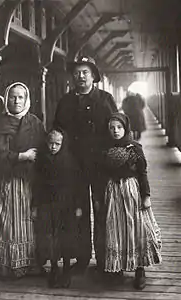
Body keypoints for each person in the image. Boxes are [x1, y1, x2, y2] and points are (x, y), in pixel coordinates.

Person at [54, 56, 118, 272]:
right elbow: (58, 132)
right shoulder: (65, 101)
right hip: (74, 167)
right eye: (77, 73)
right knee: (78, 212)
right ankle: (81, 258)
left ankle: (104, 258)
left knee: (102, 210)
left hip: (100, 166)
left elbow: (115, 130)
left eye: (85, 72)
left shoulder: (105, 99)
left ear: (93, 76)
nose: (80, 76)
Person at [0, 82, 45, 278]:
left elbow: (42, 149)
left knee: (25, 220)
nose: (16, 101)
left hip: (27, 181)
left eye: (20, 97)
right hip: (3, 181)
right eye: (13, 97)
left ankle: (26, 262)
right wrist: (22, 156)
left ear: (27, 100)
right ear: (6, 98)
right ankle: (0, 262)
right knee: (2, 219)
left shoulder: (35, 123)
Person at [97, 112, 162, 289]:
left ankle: (140, 269)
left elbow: (142, 173)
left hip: (131, 190)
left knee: (136, 228)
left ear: (125, 128)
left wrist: (146, 196)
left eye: (119, 127)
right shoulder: (105, 149)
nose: (115, 131)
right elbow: (101, 174)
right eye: (112, 128)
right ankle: (118, 267)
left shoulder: (134, 148)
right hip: (113, 193)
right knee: (116, 228)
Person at [33, 128, 81, 288]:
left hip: (66, 205)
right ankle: (54, 267)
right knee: (50, 235)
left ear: (63, 144)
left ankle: (66, 268)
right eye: (50, 143)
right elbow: (37, 184)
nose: (53, 147)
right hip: (47, 203)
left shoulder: (70, 161)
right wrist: (35, 205)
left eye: (57, 144)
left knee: (66, 235)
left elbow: (77, 187)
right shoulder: (42, 160)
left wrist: (78, 207)